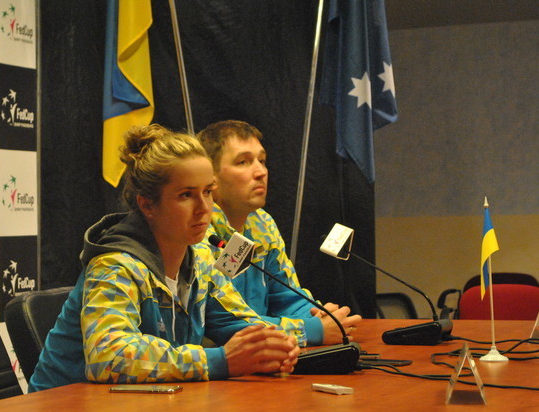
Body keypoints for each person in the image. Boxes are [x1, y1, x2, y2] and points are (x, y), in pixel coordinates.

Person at [29, 124, 306, 393]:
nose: (204, 208)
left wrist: (275, 345)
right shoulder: (115, 264)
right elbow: (109, 356)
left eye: (208, 192)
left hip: (137, 411)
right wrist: (220, 360)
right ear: (147, 204)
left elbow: (241, 322)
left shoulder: (200, 258)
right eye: (186, 195)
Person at [196, 120, 362, 345]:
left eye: (262, 161)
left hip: (265, 352)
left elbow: (287, 296)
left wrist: (321, 317)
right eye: (243, 162)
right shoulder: (198, 229)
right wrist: (314, 330)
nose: (260, 172)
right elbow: (226, 322)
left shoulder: (261, 223)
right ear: (210, 177)